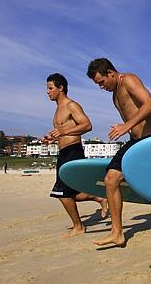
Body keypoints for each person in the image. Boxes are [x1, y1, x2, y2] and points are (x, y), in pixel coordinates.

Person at [86, 58, 151, 248]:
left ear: (110, 73)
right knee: (110, 179)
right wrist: (128, 129)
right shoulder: (114, 95)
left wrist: (126, 126)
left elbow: (150, 105)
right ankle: (117, 233)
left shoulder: (128, 80)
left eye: (102, 82)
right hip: (136, 142)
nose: (101, 87)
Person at [43, 73, 108, 238]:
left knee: (60, 192)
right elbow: (64, 132)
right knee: (71, 193)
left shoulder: (71, 105)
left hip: (73, 151)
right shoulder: (58, 109)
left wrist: (62, 131)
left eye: (50, 88)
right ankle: (99, 197)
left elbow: (87, 125)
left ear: (61, 88)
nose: (47, 92)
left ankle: (78, 226)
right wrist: (52, 139)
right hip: (64, 152)